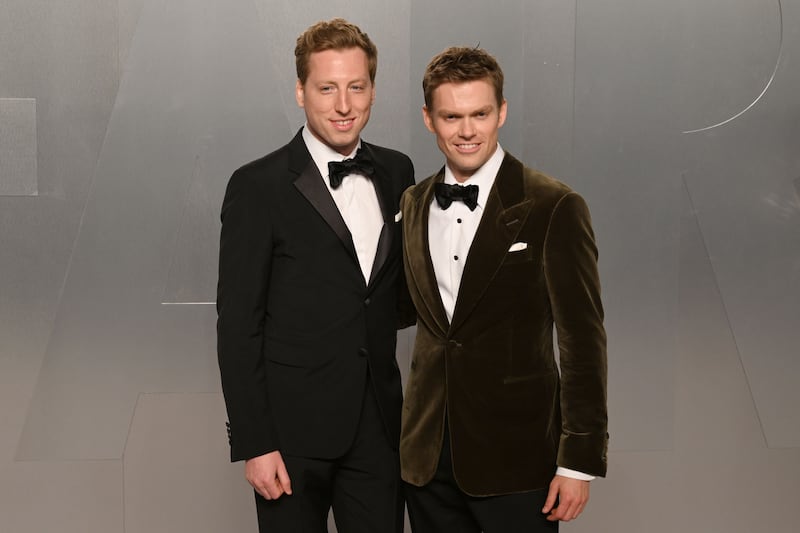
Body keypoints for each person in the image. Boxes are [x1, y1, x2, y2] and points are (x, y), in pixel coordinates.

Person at [216, 18, 414, 533]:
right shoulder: (257, 186)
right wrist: (256, 443)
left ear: (373, 90)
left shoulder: (398, 172)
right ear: (301, 92)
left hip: (378, 428)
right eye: (327, 88)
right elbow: (238, 326)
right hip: (289, 437)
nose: (344, 105)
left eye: (356, 87)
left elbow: (393, 295)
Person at [399, 46, 608, 532]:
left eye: (480, 114)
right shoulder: (413, 203)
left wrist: (577, 461)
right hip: (427, 461)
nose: (467, 131)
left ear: (502, 112)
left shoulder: (554, 205)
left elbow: (582, 341)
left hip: (519, 459)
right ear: (429, 119)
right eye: (451, 116)